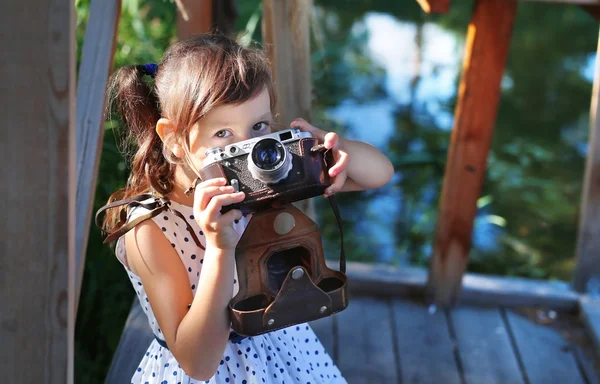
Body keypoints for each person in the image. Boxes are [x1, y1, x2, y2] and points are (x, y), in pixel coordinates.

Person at [101, 33, 394, 384]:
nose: (248, 149)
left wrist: (333, 149)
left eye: (258, 127)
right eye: (223, 134)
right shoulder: (151, 230)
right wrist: (219, 247)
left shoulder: (264, 177)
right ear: (175, 140)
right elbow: (199, 362)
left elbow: (380, 174)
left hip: (282, 351)